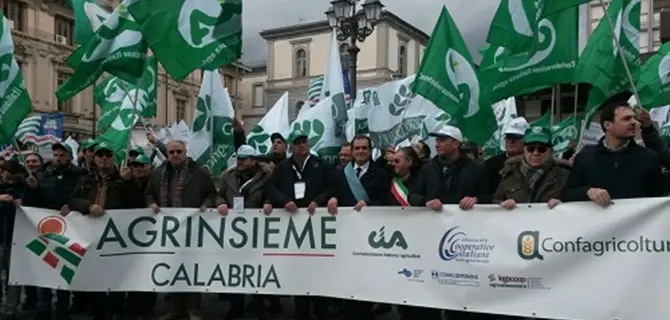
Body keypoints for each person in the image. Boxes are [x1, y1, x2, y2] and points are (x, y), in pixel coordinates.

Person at [145, 140, 221, 320]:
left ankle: (194, 309)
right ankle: (175, 307)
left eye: (179, 151)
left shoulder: (199, 173)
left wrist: (206, 205)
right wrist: (152, 203)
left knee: (191, 269)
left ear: (185, 152)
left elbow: (211, 193)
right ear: (167, 154)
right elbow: (148, 193)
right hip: (168, 230)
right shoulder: (157, 173)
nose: (175, 155)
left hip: (192, 229)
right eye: (171, 152)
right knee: (171, 268)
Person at [265, 130, 332, 320]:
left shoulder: (320, 165)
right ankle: (301, 309)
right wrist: (283, 200)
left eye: (304, 142)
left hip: (316, 224)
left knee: (319, 268)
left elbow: (333, 186)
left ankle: (321, 308)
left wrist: (319, 201)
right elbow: (271, 188)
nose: (302, 145)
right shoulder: (283, 167)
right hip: (292, 225)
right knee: (299, 268)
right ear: (291, 147)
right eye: (297, 143)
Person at [67, 142, 135, 320]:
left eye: (107, 155)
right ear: (94, 158)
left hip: (116, 234)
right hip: (90, 233)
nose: (103, 159)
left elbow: (136, 202)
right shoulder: (85, 180)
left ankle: (116, 309)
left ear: (114, 157)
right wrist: (88, 205)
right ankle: (99, 311)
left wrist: (128, 183)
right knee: (94, 272)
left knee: (116, 272)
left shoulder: (123, 179)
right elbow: (73, 200)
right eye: (100, 155)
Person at [327, 135, 390, 319]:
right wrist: (332, 198)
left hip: (371, 234)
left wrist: (369, 205)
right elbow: (332, 190)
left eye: (364, 148)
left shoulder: (381, 174)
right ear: (352, 151)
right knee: (347, 274)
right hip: (346, 232)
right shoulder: (340, 172)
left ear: (370, 151)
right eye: (357, 148)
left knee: (366, 276)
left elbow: (387, 200)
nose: (360, 152)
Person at [562, 100, 666, 204]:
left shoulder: (648, 158)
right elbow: (567, 194)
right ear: (608, 125)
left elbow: (661, 200)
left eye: (633, 118)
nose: (634, 122)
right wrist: (587, 192)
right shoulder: (585, 157)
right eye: (626, 119)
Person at [216, 145, 276, 319]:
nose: (240, 162)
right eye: (238, 158)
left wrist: (268, 201)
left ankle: (258, 303)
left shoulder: (268, 176)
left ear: (253, 160)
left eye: (243, 158)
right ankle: (236, 305)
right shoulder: (228, 176)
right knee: (235, 267)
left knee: (257, 266)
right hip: (234, 229)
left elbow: (273, 192)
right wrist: (220, 202)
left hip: (258, 228)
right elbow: (219, 194)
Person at [28, 143, 86, 320]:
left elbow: (82, 196)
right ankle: (43, 308)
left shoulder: (80, 175)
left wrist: (71, 205)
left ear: (69, 156)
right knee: (45, 267)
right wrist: (32, 188)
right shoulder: (40, 176)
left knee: (64, 269)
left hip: (70, 228)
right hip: (45, 227)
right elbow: (32, 202)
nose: (58, 158)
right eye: (55, 155)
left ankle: (62, 308)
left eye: (62, 155)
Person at [409, 125, 490, 211]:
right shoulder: (427, 169)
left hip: (466, 220)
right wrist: (426, 202)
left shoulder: (476, 169)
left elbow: (487, 196)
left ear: (455, 144)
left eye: (442, 140)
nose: (437, 145)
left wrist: (475, 199)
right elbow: (413, 196)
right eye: (437, 141)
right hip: (434, 220)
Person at [493, 126, 569, 210]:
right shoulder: (510, 174)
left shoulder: (564, 175)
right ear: (524, 150)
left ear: (550, 151)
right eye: (531, 149)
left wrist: (562, 205)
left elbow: (575, 202)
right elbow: (496, 200)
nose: (536, 153)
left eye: (541, 149)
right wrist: (503, 204)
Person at [123, 154, 157, 319]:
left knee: (148, 268)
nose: (138, 169)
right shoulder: (125, 182)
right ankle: (131, 302)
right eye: (135, 166)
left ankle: (146, 305)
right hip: (129, 233)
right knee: (130, 268)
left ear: (149, 167)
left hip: (151, 233)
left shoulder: (155, 184)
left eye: (142, 165)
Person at [0, 160, 27, 320]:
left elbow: (34, 199)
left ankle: (11, 308)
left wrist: (24, 201)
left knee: (14, 277)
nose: (11, 182)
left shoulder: (24, 186)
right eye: (8, 178)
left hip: (16, 238)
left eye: (14, 179)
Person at [484, 117, 528, 194]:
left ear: (526, 139)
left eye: (516, 137)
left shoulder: (534, 164)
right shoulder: (490, 165)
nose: (511, 141)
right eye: (508, 137)